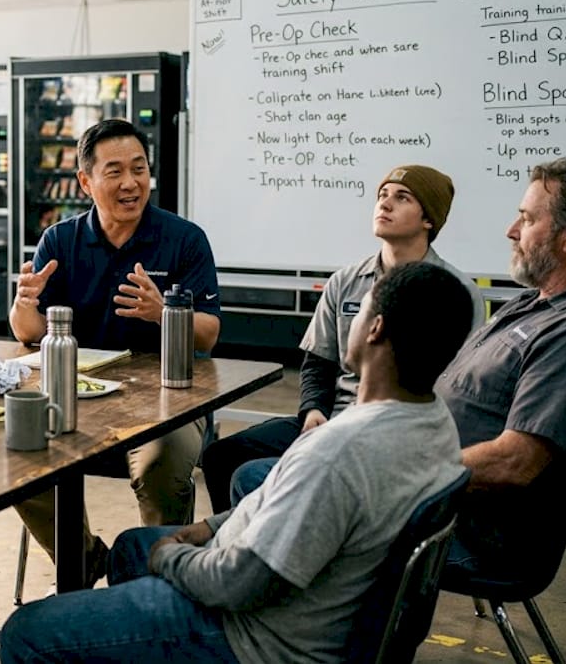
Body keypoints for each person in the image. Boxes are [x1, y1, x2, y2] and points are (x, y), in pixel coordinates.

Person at [0, 261, 474, 663]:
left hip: (256, 636)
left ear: (375, 328)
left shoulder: (338, 452)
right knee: (128, 549)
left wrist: (173, 557)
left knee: (28, 631)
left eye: (363, 306)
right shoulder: (433, 422)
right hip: (305, 601)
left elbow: (239, 582)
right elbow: (290, 505)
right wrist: (210, 528)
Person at [8, 118, 222, 585]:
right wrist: (25, 301)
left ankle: (160, 580)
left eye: (139, 169)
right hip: (82, 398)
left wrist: (164, 311)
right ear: (85, 181)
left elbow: (208, 336)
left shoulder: (184, 239)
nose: (131, 183)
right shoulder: (60, 241)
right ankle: (82, 563)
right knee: (22, 452)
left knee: (163, 459)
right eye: (114, 171)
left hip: (171, 399)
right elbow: (29, 333)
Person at [201, 164, 484, 512]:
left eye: (402, 197)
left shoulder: (454, 293)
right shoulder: (345, 281)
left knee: (254, 476)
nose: (385, 204)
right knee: (221, 455)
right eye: (382, 195)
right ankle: (234, 546)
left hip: (398, 431)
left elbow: (461, 386)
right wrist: (313, 411)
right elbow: (318, 363)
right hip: (334, 417)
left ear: (429, 220)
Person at [437, 158, 566, 574]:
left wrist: (392, 470)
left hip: (467, 533)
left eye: (526, 220)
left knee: (270, 487)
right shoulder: (535, 302)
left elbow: (514, 463)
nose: (511, 231)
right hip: (436, 501)